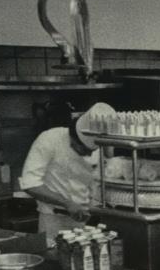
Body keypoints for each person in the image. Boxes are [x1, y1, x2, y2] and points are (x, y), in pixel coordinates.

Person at [19, 101, 102, 245]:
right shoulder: (49, 140)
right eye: (84, 150)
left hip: (86, 221)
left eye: (92, 151)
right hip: (53, 220)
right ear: (72, 139)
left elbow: (99, 179)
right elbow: (30, 184)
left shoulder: (97, 144)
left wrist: (95, 206)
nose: (89, 154)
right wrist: (67, 203)